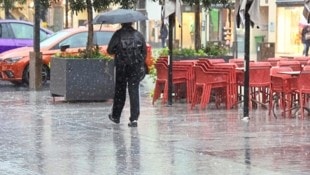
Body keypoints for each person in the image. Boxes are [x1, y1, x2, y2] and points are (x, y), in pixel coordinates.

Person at [107, 22, 147, 127]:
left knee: (120, 91)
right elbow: (144, 51)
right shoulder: (138, 35)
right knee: (134, 91)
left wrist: (118, 51)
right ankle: (134, 119)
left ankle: (116, 116)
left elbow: (109, 50)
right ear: (132, 23)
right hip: (135, 67)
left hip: (121, 66)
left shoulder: (118, 34)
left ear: (122, 23)